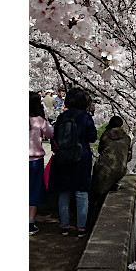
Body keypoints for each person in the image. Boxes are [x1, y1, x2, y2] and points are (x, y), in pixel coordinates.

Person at [47, 88, 97, 237]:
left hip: (63, 158)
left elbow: (54, 137)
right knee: (81, 193)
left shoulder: (62, 117)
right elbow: (92, 137)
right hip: (81, 158)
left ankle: (65, 227)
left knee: (64, 193)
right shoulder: (86, 117)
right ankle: (81, 228)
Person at [88, 116, 133, 230]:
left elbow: (100, 150)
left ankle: (89, 222)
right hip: (120, 170)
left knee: (95, 194)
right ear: (121, 126)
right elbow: (129, 156)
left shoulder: (105, 135)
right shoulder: (127, 138)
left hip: (104, 168)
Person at [29, 91, 53, 235]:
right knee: (33, 191)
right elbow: (51, 134)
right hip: (35, 160)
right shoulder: (39, 120)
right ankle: (30, 223)